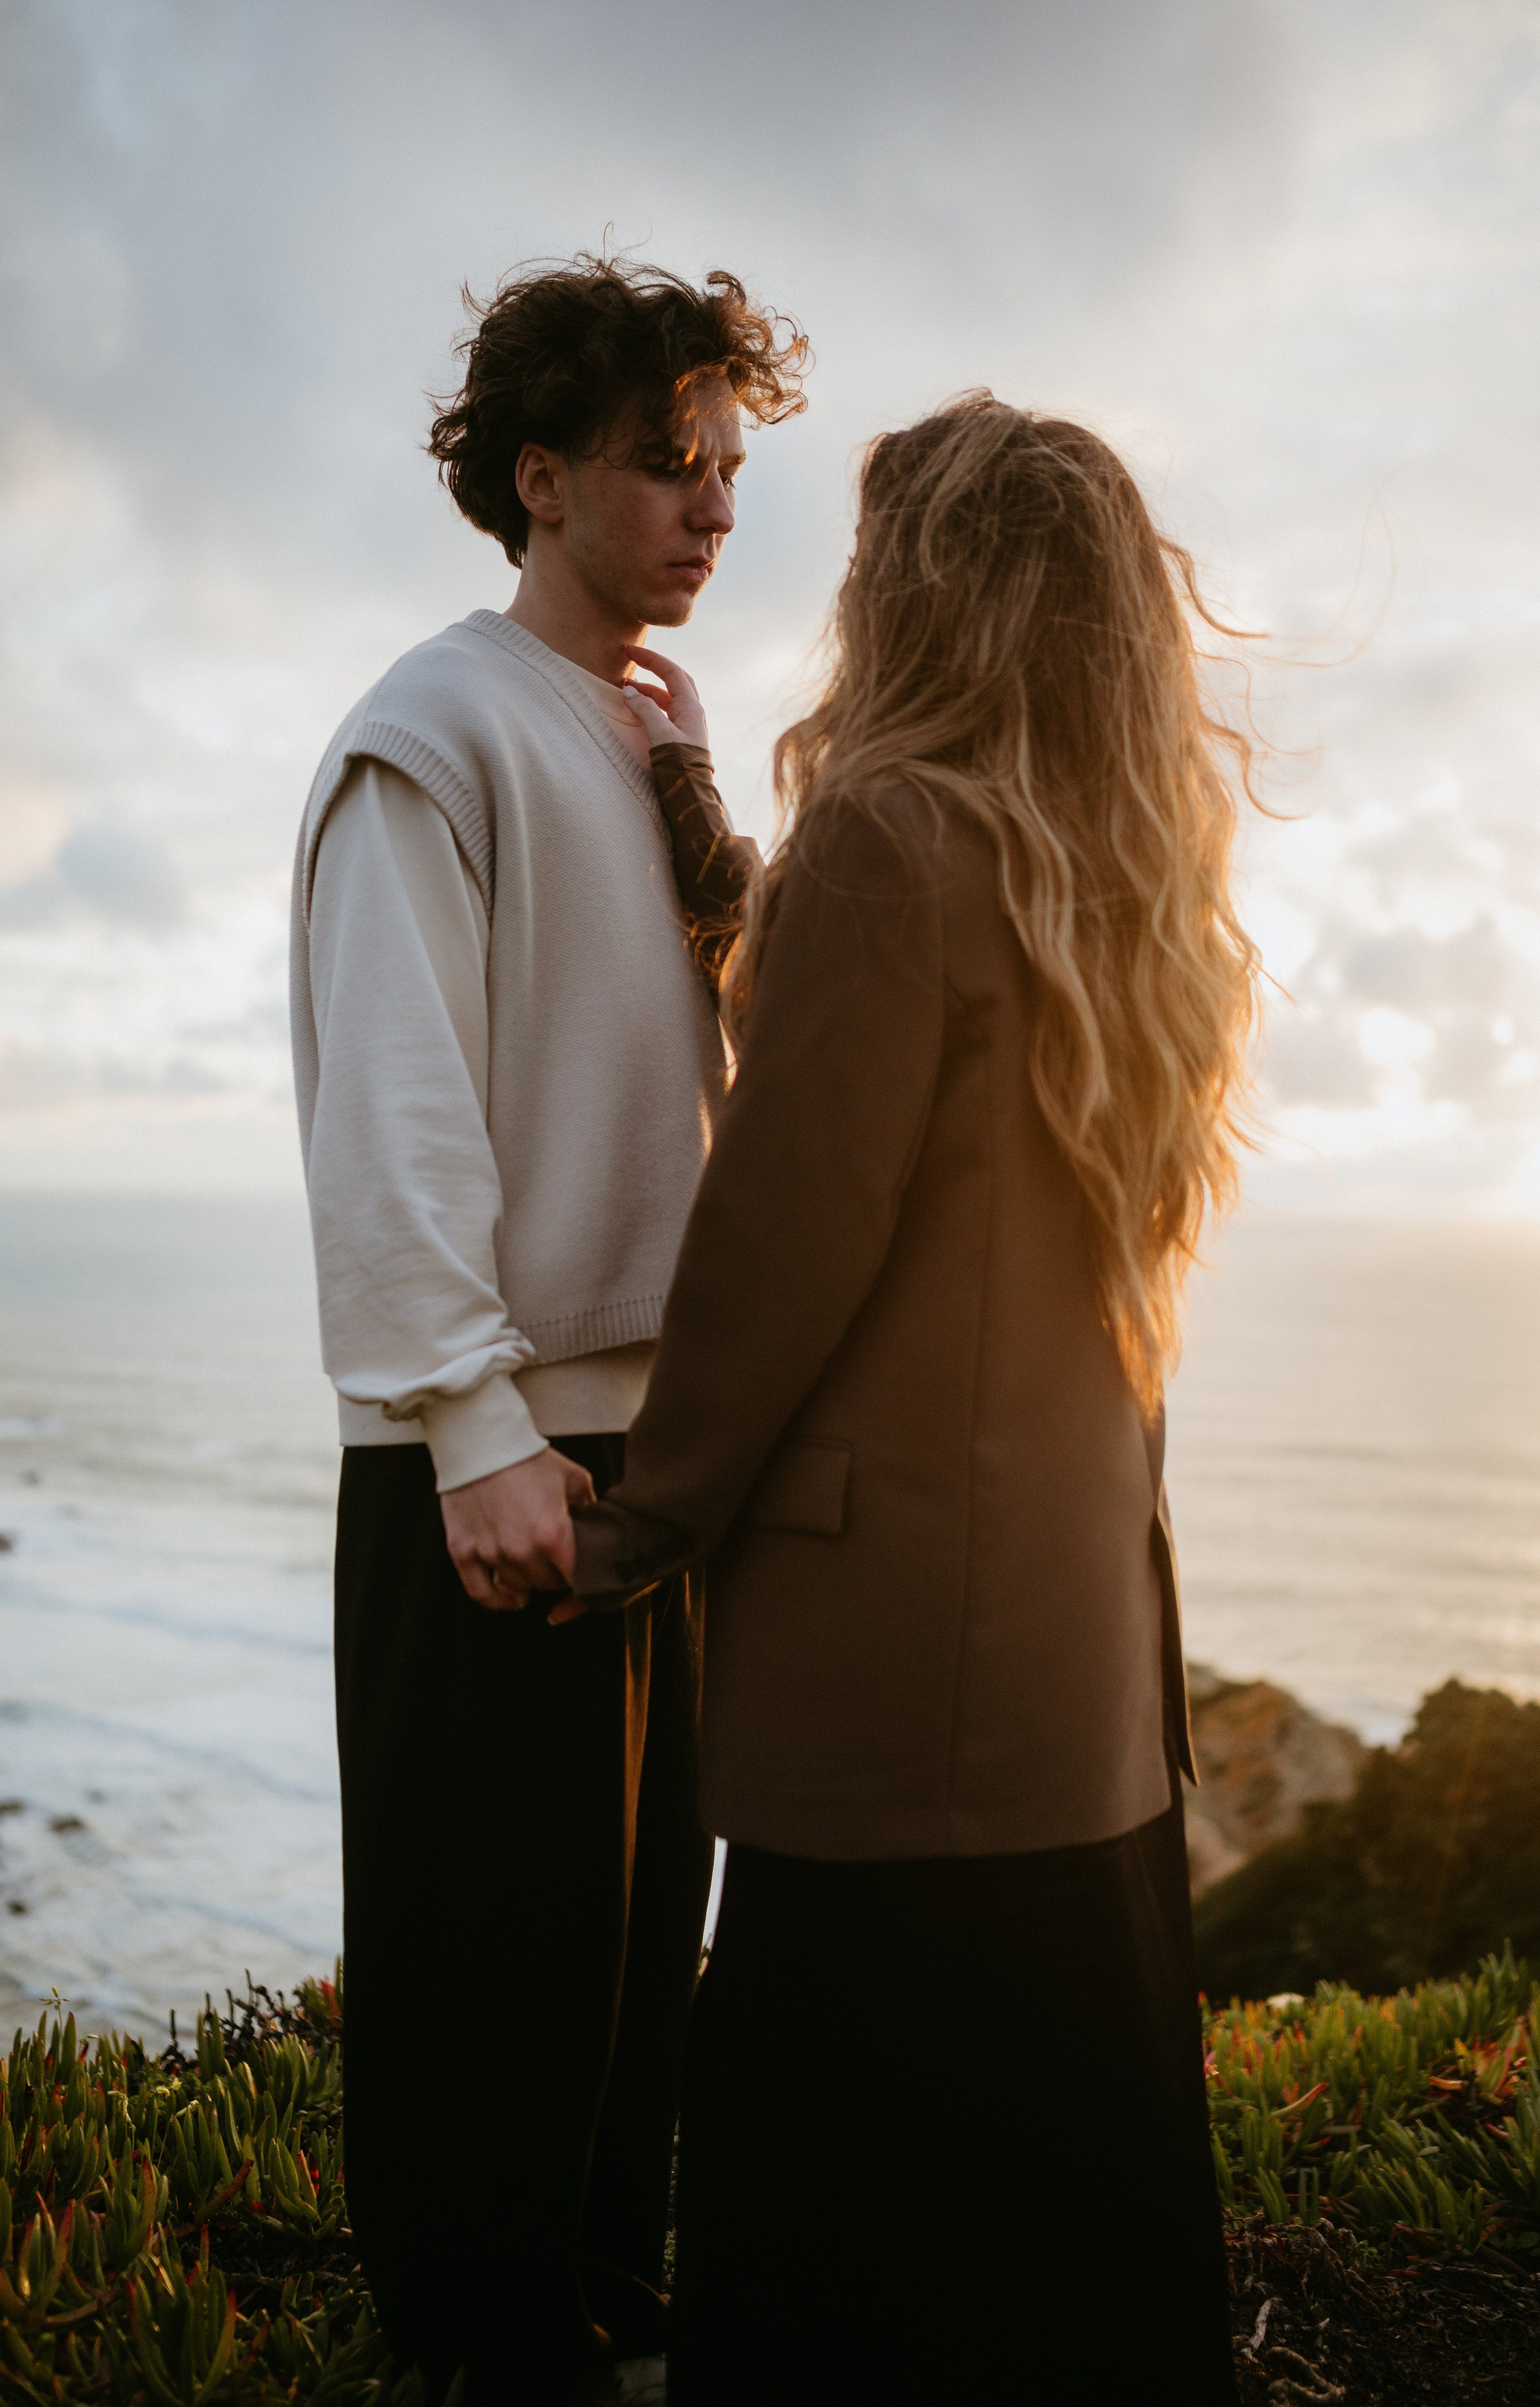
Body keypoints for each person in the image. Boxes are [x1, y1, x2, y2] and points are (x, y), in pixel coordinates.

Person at [558, 395, 1258, 2404]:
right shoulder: (1123, 884)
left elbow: (785, 1246)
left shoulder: (893, 835)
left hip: (892, 1698)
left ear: (923, 592)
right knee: (1068, 2245)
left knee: (845, 2261)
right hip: (1080, 1689)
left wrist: (644, 1518)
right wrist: (717, 857)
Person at [287, 255, 806, 2405]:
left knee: (620, 1982)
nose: (709, 511)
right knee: (486, 1970)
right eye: (667, 468)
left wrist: (710, 845)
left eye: (727, 474)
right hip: (496, 1464)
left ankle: (596, 2319)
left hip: (657, 1458)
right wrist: (478, 1413)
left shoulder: (639, 733)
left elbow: (733, 1063)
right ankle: (482, 2352)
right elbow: (388, 1091)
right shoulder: (433, 725)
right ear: (539, 476)